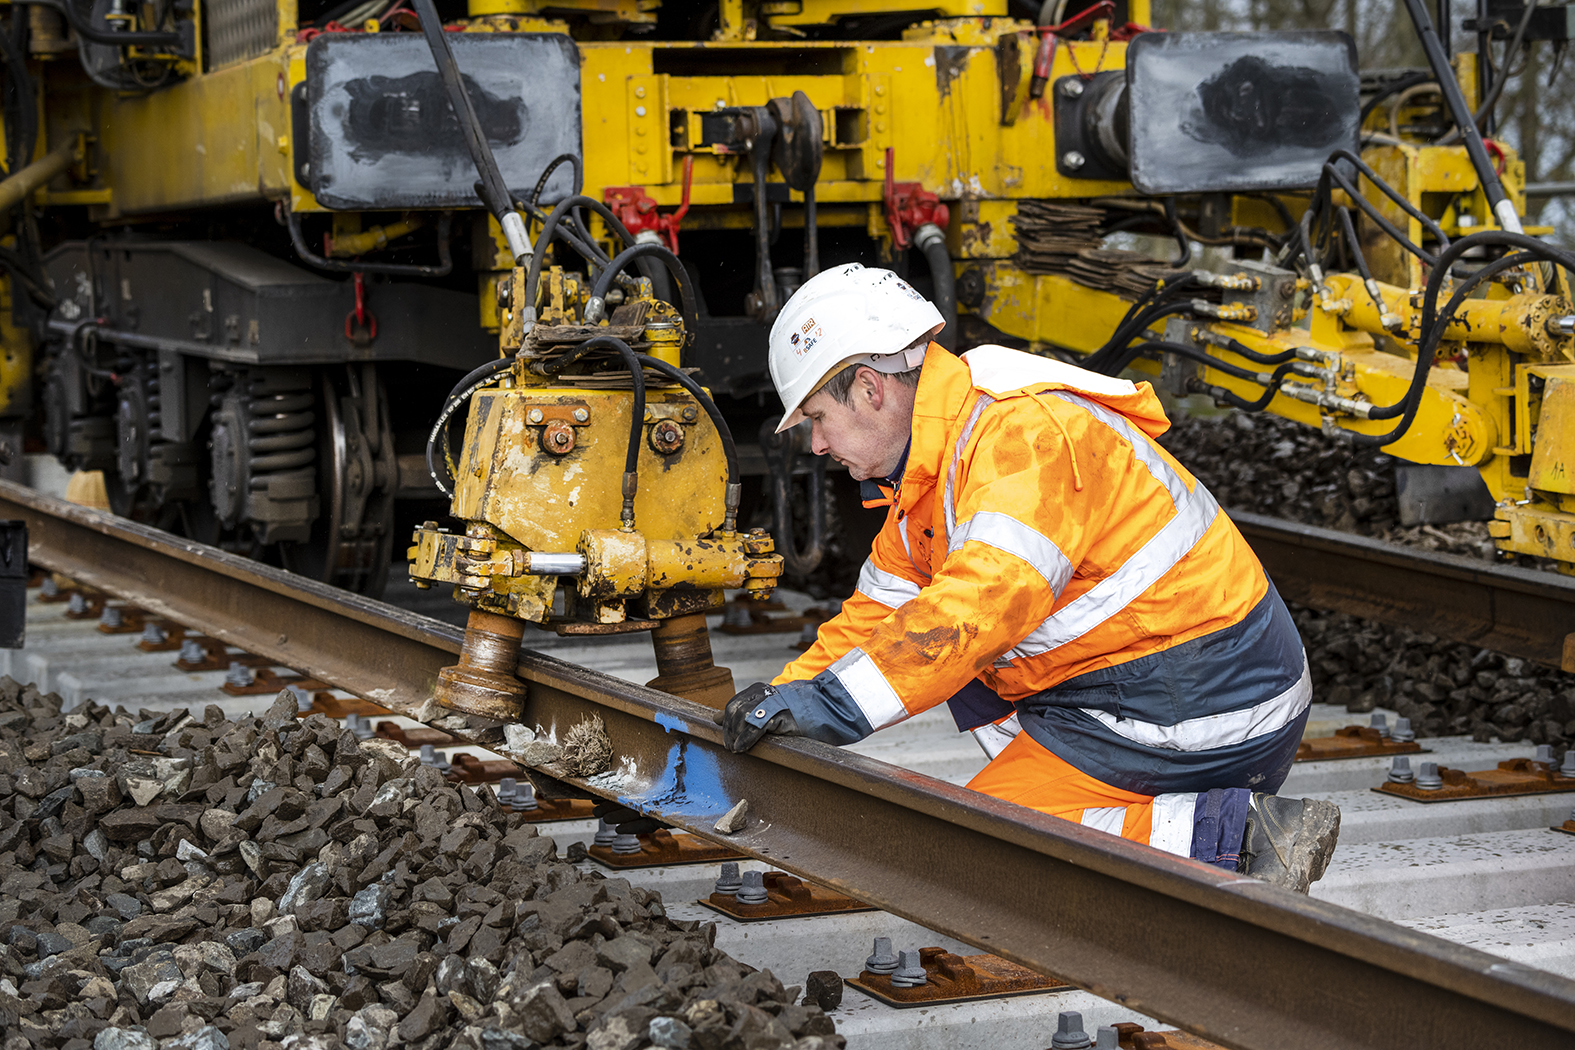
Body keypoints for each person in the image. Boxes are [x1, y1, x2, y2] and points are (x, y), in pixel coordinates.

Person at [717, 263, 1340, 893]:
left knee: (980, 856)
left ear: (870, 388)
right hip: (1141, 689)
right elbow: (879, 618)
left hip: (1207, 698)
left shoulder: (1022, 433)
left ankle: (1233, 838)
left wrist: (827, 707)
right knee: (965, 823)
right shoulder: (933, 471)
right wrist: (782, 696)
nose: (817, 445)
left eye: (818, 417)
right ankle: (1110, 809)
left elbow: (980, 606)